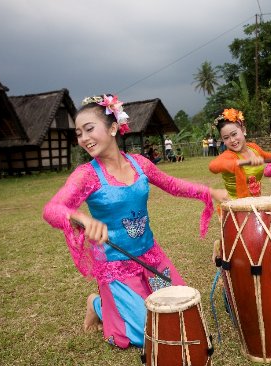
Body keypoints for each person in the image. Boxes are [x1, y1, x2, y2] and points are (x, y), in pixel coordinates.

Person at [42, 94, 228, 349]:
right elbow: (52, 209)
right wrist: (79, 217)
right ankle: (97, 303)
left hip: (150, 256)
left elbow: (173, 185)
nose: (83, 139)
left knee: (181, 311)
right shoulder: (85, 175)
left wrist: (209, 192)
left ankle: (107, 303)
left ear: (113, 128)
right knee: (147, 333)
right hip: (114, 265)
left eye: (89, 129)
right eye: (78, 133)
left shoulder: (139, 164)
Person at [209, 108, 271, 199]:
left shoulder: (253, 148)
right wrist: (243, 162)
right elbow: (213, 166)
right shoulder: (229, 155)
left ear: (243, 130)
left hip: (255, 204)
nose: (232, 140)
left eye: (234, 134)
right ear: (223, 140)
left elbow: (268, 156)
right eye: (226, 138)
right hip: (236, 208)